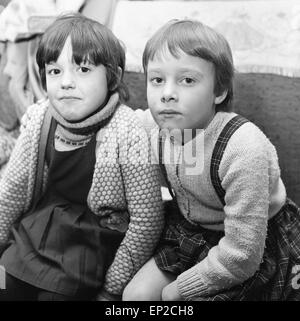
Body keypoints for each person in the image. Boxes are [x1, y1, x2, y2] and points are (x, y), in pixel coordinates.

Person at [123, 19, 300, 301]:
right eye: (157, 80)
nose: (167, 93)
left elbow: (242, 255)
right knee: (135, 297)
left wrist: (179, 290)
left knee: (173, 298)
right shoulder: (153, 126)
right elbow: (114, 122)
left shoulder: (242, 148)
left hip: (252, 244)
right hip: (190, 231)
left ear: (219, 91)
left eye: (187, 80)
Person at [0, 13, 164, 301]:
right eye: (54, 71)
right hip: (37, 231)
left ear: (113, 76)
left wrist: (112, 288)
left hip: (91, 242)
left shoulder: (129, 132)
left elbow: (147, 221)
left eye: (83, 70)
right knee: (6, 284)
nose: (66, 82)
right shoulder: (39, 118)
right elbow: (11, 192)